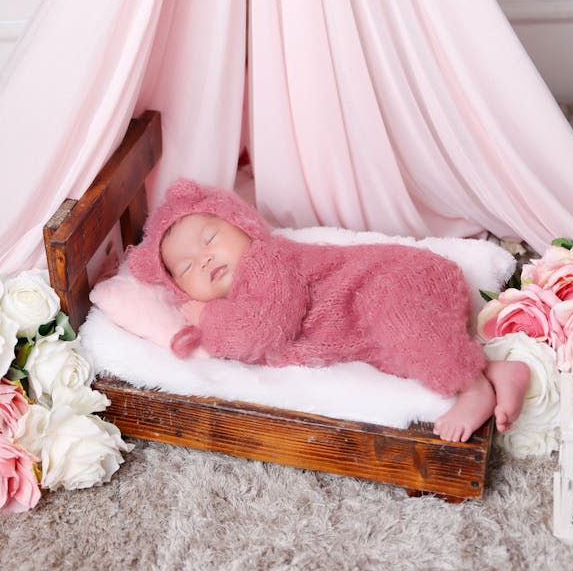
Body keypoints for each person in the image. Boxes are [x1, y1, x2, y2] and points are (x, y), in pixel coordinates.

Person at [128, 179, 530, 444]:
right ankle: (494, 372)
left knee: (403, 326)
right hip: (367, 319)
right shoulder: (243, 291)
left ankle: (472, 389)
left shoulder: (267, 260)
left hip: (391, 282)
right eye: (185, 268)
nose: (203, 259)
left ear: (243, 225)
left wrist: (207, 319)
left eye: (210, 238)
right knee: (400, 350)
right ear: (180, 290)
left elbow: (261, 330)